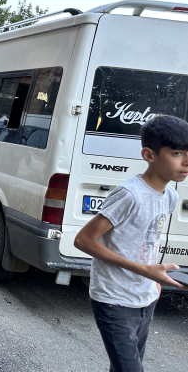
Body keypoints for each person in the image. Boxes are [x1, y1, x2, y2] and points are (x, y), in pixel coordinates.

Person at [74, 115, 188, 372]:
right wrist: (142, 271)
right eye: (177, 153)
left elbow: (148, 240)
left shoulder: (168, 195)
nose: (186, 161)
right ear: (149, 155)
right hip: (114, 300)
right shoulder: (129, 194)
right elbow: (83, 240)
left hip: (145, 297)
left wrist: (154, 279)